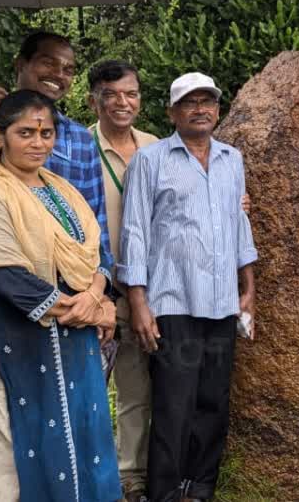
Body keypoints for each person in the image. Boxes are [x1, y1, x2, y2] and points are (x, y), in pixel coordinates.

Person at [0, 90, 119, 502]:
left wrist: (95, 297)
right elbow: (4, 273)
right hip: (13, 335)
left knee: (79, 435)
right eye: (25, 132)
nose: (38, 142)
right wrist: (80, 310)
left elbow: (96, 254)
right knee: (12, 446)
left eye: (46, 133)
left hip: (74, 338)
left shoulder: (63, 189)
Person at [120, 72, 257, 501]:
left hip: (221, 303)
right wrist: (138, 301)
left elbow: (239, 224)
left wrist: (248, 287)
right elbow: (135, 231)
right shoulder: (151, 160)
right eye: (189, 102)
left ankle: (199, 489)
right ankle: (163, 492)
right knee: (173, 406)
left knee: (212, 403)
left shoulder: (231, 159)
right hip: (172, 303)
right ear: (172, 112)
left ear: (218, 109)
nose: (200, 109)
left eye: (208, 102)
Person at [0, 31, 113, 272]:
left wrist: (100, 286)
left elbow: (95, 222)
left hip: (72, 277)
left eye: (68, 69)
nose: (59, 74)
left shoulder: (80, 138)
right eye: (48, 62)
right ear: (20, 64)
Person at [86, 60, 159, 502]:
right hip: (97, 291)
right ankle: (87, 472)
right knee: (90, 388)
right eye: (111, 94)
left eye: (130, 93)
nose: (122, 102)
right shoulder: (76, 147)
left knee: (137, 388)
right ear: (95, 98)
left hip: (151, 292)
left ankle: (131, 476)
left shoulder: (155, 147)